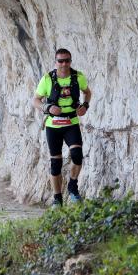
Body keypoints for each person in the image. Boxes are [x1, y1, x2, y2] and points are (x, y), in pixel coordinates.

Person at [33, 48, 92, 206]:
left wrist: (85, 105)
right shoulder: (47, 79)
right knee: (56, 164)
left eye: (67, 60)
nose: (64, 64)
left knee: (77, 154)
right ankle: (57, 199)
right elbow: (36, 100)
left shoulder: (78, 77)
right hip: (54, 125)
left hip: (71, 122)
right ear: (55, 62)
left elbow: (87, 92)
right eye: (60, 61)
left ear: (70, 61)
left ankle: (73, 187)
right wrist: (48, 108)